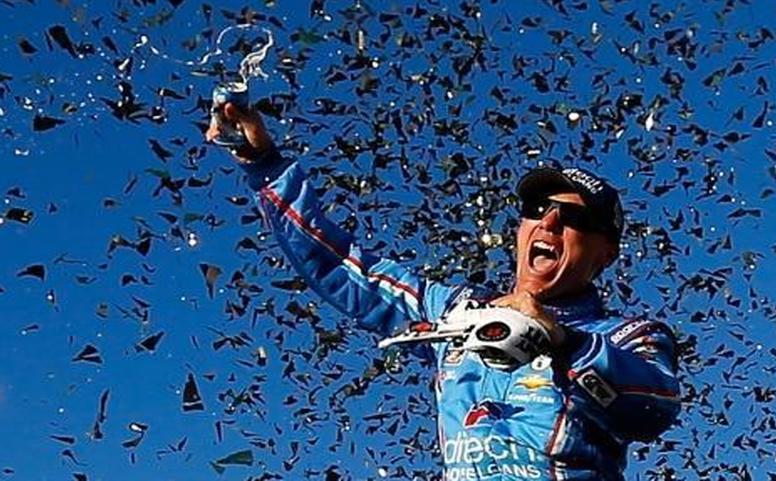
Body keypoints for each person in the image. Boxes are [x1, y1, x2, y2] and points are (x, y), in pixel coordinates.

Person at [207, 101, 682, 481]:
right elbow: (340, 265)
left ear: (605, 254)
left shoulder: (628, 337)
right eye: (537, 209)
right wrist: (263, 164)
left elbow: (655, 406)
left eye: (573, 217)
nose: (549, 222)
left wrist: (562, 341)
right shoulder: (455, 312)